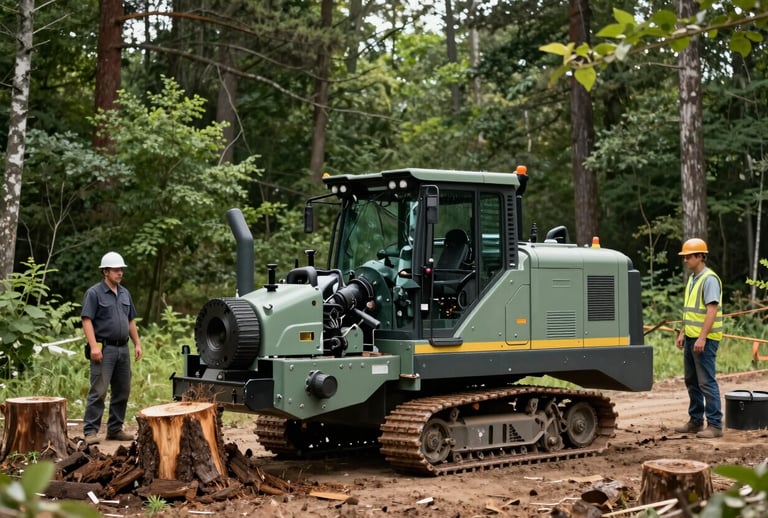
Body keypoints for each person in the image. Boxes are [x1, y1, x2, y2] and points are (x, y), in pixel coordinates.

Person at [81, 252, 143, 444]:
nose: (120, 273)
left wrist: (137, 343)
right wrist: (93, 346)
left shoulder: (125, 293)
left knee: (122, 390)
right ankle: (90, 431)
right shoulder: (94, 293)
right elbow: (86, 320)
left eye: (121, 269)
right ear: (105, 271)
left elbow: (130, 319)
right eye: (116, 270)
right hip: (104, 348)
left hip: (122, 349)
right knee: (99, 389)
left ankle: (115, 429)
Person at [674, 238, 723, 438]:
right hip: (692, 338)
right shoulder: (694, 279)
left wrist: (703, 337)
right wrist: (683, 332)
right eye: (685, 256)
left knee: (706, 382)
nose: (685, 260)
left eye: (688, 256)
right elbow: (692, 312)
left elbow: (711, 310)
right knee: (692, 381)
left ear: (700, 256)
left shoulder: (709, 279)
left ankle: (715, 425)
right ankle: (695, 421)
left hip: (705, 339)